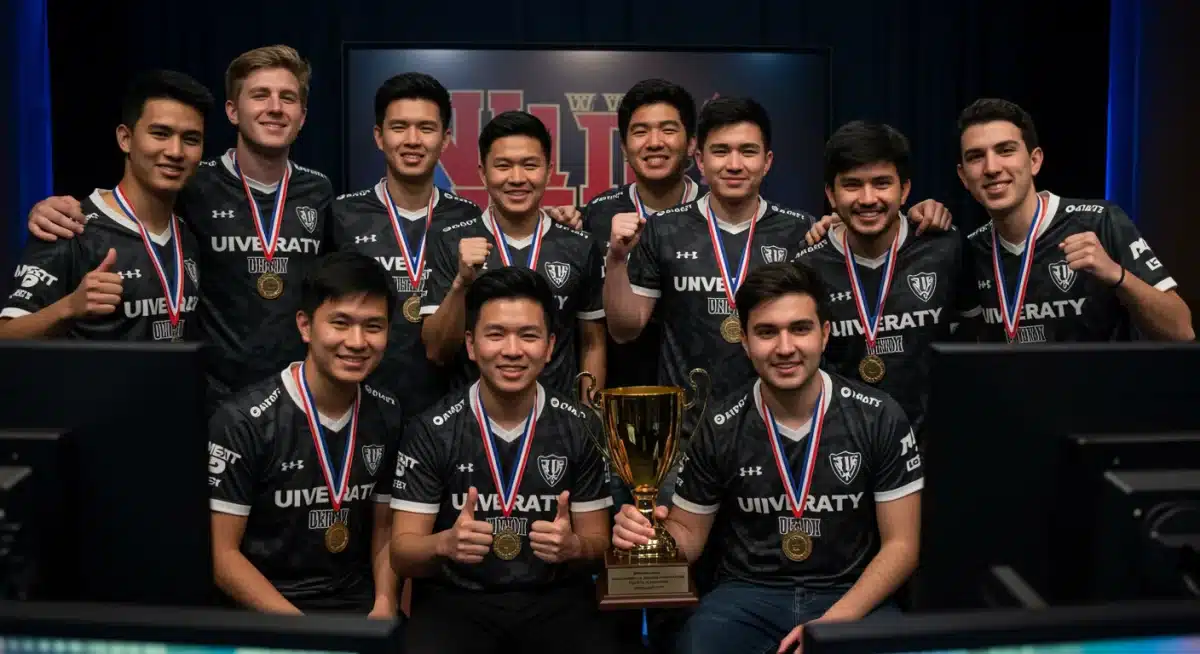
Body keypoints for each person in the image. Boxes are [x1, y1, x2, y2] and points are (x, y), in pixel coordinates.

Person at [613, 262, 923, 654]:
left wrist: (832, 626)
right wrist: (645, 534)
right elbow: (689, 535)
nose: (785, 347)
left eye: (800, 328)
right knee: (697, 646)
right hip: (747, 596)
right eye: (766, 332)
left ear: (825, 334)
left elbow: (902, 546)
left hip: (851, 593)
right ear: (743, 340)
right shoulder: (721, 424)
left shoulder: (879, 415)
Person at [24, 45, 337, 410]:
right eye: (260, 95)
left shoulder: (318, 190)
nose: (275, 107)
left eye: (288, 98)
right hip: (211, 394)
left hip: (294, 393)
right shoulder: (193, 182)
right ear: (233, 112)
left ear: (302, 116)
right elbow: (133, 200)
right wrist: (49, 208)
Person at [390, 267, 617, 654]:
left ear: (549, 347)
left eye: (528, 335)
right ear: (471, 345)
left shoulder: (582, 427)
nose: (512, 350)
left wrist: (574, 547)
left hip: (556, 600)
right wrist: (445, 543)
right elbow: (402, 552)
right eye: (495, 334)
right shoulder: (431, 429)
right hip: (456, 601)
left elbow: (599, 544)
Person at [208, 250, 404, 616]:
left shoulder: (387, 412)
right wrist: (303, 634)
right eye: (340, 323)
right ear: (305, 325)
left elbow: (385, 532)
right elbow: (222, 556)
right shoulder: (243, 421)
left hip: (355, 603)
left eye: (373, 326)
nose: (358, 341)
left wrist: (384, 604)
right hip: (266, 609)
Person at [603, 97, 821, 405]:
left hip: (772, 417)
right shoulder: (664, 228)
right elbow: (626, 330)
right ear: (701, 160)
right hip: (687, 424)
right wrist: (616, 259)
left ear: (767, 161)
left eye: (748, 151)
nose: (734, 164)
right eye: (721, 151)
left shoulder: (798, 230)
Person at [793, 121, 979, 437]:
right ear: (831, 194)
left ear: (904, 189)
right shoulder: (808, 267)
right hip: (845, 450)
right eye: (852, 185)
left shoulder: (946, 248)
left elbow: (975, 344)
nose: (868, 199)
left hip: (936, 447)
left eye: (882, 183)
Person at [956, 98, 1193, 343]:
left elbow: (1181, 331)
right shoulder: (970, 251)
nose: (991, 167)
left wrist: (1116, 275)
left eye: (1005, 150)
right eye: (975, 157)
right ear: (963, 176)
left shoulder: (1100, 221)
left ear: (1034, 161)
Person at [0, 70, 209, 342]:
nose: (176, 152)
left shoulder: (190, 231)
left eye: (191, 139)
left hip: (174, 385)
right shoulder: (69, 225)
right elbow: (5, 337)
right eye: (160, 134)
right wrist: (69, 308)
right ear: (125, 138)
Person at [421, 111, 607, 399]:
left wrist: (590, 415)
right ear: (483, 173)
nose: (517, 178)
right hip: (473, 424)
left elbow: (592, 344)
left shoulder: (579, 245)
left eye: (530, 165)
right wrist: (462, 283)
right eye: (503, 166)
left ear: (548, 170)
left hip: (559, 423)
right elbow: (436, 351)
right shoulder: (450, 241)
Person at [330, 72, 482, 417]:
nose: (412, 140)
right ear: (379, 137)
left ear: (445, 140)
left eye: (426, 129)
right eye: (399, 127)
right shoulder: (342, 214)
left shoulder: (469, 217)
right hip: (362, 405)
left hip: (450, 409)